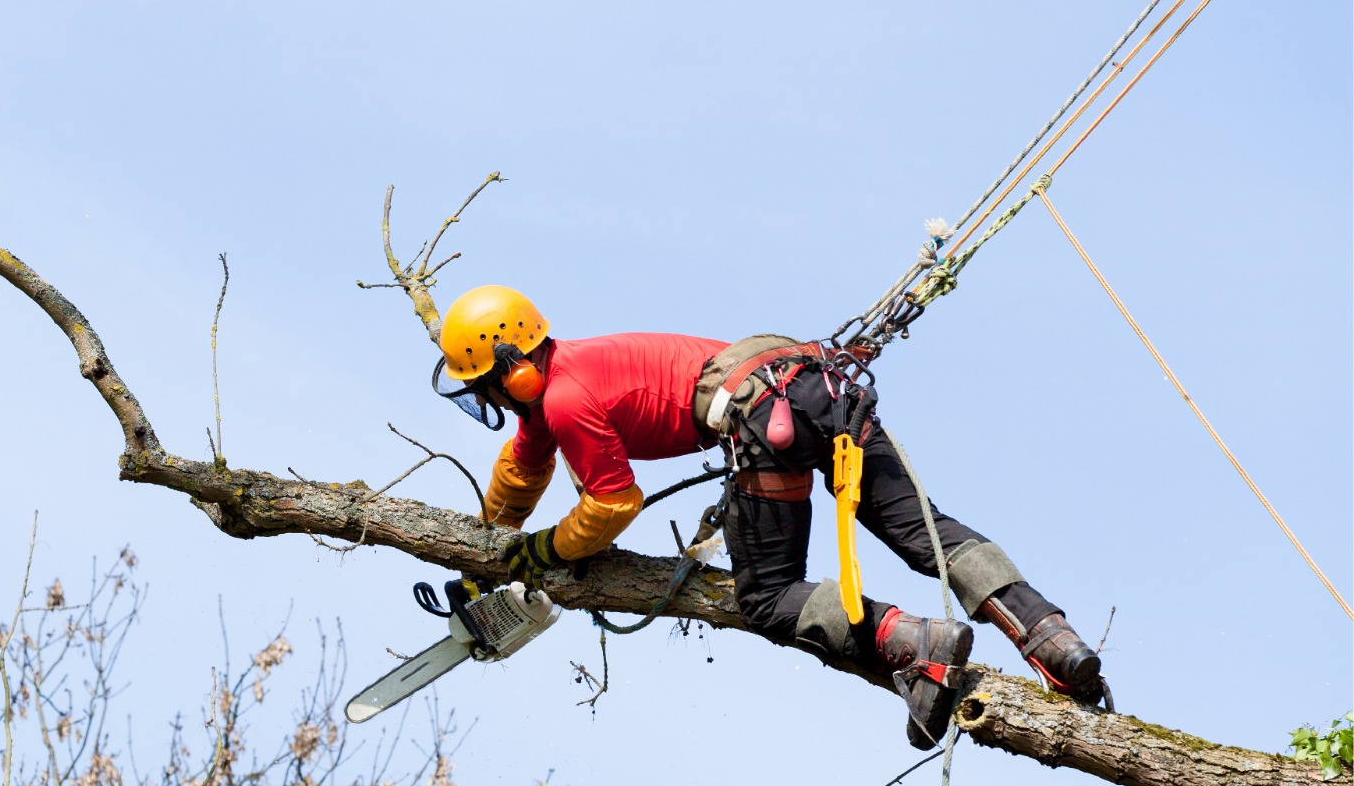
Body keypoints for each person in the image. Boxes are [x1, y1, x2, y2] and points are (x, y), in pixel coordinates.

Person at [432, 284, 1104, 747]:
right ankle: (1053, 639)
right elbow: (521, 473)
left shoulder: (564, 399)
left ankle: (916, 643)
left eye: (484, 387)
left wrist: (542, 552)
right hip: (816, 387)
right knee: (922, 531)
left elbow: (612, 504)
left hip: (762, 422)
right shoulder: (562, 384)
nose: (490, 401)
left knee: (767, 596)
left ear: (512, 370)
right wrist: (484, 556)